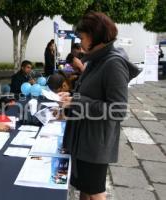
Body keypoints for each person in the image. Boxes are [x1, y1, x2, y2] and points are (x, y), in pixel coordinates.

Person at [59, 12, 140, 200]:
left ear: (95, 35)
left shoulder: (113, 63)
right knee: (85, 189)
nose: (81, 41)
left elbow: (118, 110)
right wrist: (71, 96)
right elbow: (90, 94)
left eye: (83, 37)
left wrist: (77, 101)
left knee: (95, 191)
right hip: (84, 139)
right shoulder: (97, 59)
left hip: (95, 143)